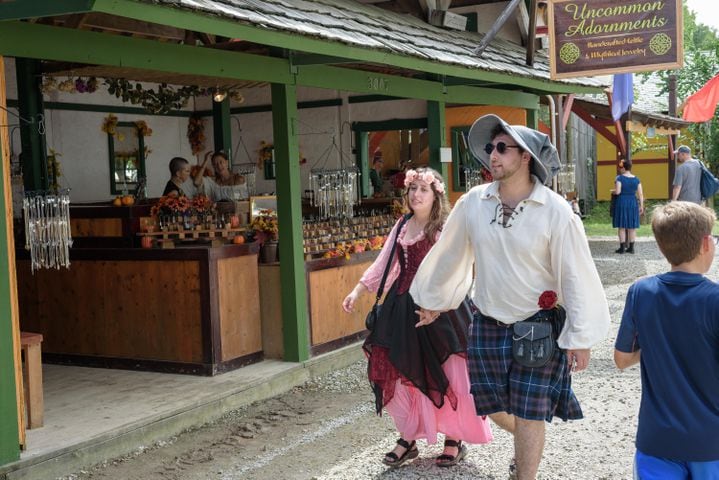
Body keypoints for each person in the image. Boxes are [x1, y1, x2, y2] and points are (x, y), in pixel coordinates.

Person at [410, 114, 610, 480]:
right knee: (491, 404)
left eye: (503, 148)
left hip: (538, 326)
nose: (494, 155)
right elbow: (451, 253)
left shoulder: (555, 211)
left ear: (526, 157)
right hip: (486, 321)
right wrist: (434, 300)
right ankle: (526, 450)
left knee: (531, 412)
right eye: (491, 148)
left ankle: (526, 473)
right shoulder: (474, 202)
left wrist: (579, 338)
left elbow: (575, 274)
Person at [341, 167, 492, 468]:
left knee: (449, 370)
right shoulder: (402, 225)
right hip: (404, 307)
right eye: (413, 189)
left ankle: (454, 437)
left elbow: (457, 267)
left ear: (436, 194)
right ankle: (407, 437)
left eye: (423, 189)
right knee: (403, 371)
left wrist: (438, 306)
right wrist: (358, 290)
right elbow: (384, 262)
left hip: (442, 309)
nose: (416, 194)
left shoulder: (443, 227)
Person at [615, 201, 719, 479]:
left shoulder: (641, 291)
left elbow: (622, 359)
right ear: (706, 243)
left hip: (656, 439)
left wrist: (651, 344)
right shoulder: (714, 299)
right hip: (711, 443)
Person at [612, 160, 644, 254]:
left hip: (622, 202)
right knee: (632, 226)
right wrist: (641, 205)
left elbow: (618, 192)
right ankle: (631, 248)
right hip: (633, 202)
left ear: (624, 168)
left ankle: (622, 248)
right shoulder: (636, 179)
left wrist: (613, 192)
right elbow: (640, 194)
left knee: (622, 226)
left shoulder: (620, 178)